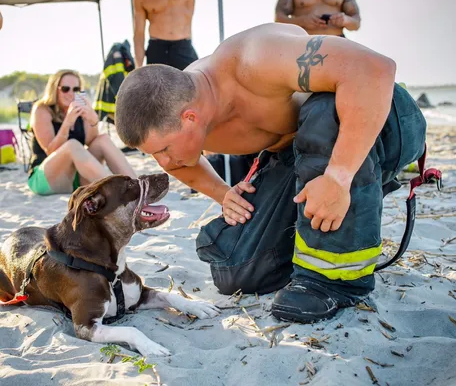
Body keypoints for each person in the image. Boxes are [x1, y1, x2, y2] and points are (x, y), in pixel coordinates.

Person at [114, 23, 426, 323]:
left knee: (321, 111)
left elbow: (373, 69)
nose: (163, 162)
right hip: (299, 152)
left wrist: (339, 177)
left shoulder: (255, 59)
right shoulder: (181, 110)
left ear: (190, 118)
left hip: (385, 119)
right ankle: (341, 208)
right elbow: (182, 163)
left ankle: (334, 282)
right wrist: (223, 193)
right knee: (236, 269)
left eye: (163, 149)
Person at [28, 69, 136, 195]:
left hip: (75, 177)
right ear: (54, 89)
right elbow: (51, 151)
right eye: (65, 89)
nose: (71, 93)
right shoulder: (42, 109)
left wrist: (92, 120)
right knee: (72, 145)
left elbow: (92, 142)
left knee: (103, 139)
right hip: (46, 178)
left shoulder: (79, 109)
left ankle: (136, 186)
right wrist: (67, 122)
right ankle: (116, 191)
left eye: (76, 89)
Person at [133, 0, 198, 70]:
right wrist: (138, 68)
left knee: (193, 81)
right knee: (155, 82)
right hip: (157, 49)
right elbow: (139, 34)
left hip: (183, 46)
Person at [275, 0, 361, 37]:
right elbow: (278, 19)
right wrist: (301, 21)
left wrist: (345, 20)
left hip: (337, 42)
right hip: (303, 44)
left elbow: (356, 24)